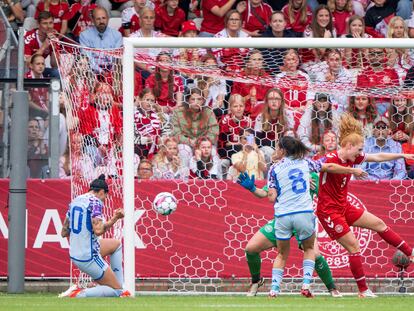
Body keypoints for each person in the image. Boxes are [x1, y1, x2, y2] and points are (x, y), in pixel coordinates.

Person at [240, 136, 367, 297]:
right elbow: (264, 193)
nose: (275, 151)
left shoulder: (286, 170)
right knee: (251, 248)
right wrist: (252, 188)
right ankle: (257, 282)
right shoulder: (296, 166)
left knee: (313, 254)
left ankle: (331, 288)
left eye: (278, 147)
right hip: (300, 216)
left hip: (286, 215)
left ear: (283, 150)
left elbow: (326, 197)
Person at [316, 113, 414, 298]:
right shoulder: (331, 157)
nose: (361, 153)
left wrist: (401, 154)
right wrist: (352, 170)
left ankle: (411, 253)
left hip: (344, 206)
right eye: (359, 149)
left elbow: (378, 157)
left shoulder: (354, 158)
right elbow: (327, 168)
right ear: (349, 146)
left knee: (378, 224)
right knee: (353, 246)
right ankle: (363, 290)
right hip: (329, 211)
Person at [60, 174, 130, 297]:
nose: (104, 200)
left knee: (116, 245)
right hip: (88, 257)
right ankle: (78, 293)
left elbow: (64, 232)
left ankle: (120, 286)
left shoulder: (76, 201)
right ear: (102, 192)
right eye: (105, 196)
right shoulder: (95, 202)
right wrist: (115, 218)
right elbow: (98, 231)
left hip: (75, 253)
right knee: (115, 291)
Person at [361, 116, 407, 180]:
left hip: (390, 184)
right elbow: (360, 170)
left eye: (383, 127)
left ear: (389, 130)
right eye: (377, 127)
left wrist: (391, 183)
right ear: (373, 130)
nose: (380, 130)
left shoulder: (396, 146)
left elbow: (401, 171)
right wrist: (375, 182)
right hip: (369, 184)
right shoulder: (365, 144)